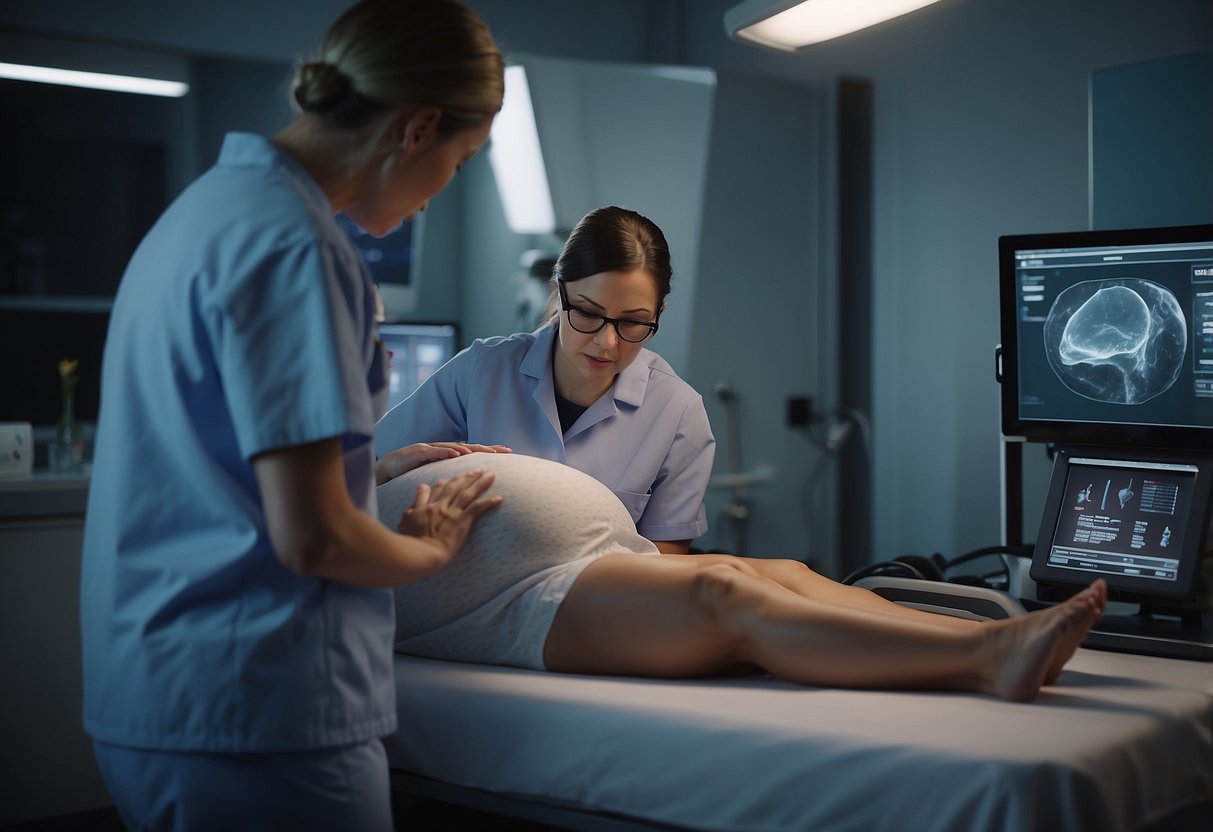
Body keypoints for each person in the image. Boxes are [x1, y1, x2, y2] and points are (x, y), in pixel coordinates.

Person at [79, 2, 505, 828]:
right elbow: (314, 539)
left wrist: (366, 472)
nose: (434, 199)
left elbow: (210, 461)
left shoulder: (207, 212)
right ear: (417, 128)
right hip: (258, 711)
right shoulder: (298, 248)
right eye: (461, 161)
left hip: (162, 691)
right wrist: (430, 549)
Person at [380, 453, 1108, 703]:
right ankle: (985, 662)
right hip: (504, 598)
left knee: (775, 569)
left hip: (589, 551)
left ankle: (1001, 633)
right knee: (721, 597)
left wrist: (389, 467)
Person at [374, 205, 716, 554]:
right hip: (480, 590)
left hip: (600, 601)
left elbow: (666, 565)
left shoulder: (679, 413)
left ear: (658, 314)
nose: (606, 343)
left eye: (632, 322)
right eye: (586, 312)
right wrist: (384, 468)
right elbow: (360, 477)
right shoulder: (481, 371)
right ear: (559, 292)